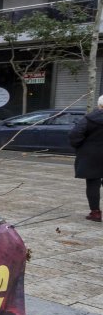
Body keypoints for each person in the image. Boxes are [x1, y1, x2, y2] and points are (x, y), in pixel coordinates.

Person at [68, 94, 103, 223]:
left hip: (92, 156)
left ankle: (95, 213)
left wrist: (80, 146)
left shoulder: (89, 119)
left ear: (99, 105)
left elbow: (74, 134)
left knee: (93, 184)